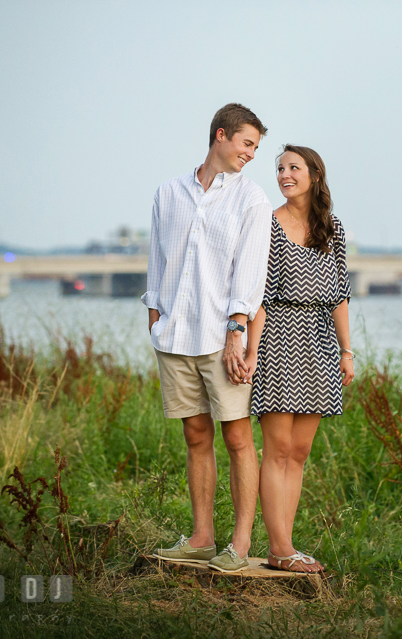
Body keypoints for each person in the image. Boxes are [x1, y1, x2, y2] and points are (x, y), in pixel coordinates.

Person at [144, 103, 272, 573]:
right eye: (247, 144)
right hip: (174, 334)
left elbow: (250, 274)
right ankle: (201, 538)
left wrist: (237, 331)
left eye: (256, 148)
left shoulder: (251, 200)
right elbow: (158, 261)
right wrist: (155, 317)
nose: (251, 155)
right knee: (195, 435)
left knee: (238, 438)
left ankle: (238, 545)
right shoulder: (167, 193)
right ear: (221, 135)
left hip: (222, 338)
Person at [246, 145, 354, 573]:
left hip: (321, 343)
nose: (285, 174)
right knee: (277, 449)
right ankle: (282, 549)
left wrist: (347, 351)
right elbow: (258, 296)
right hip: (278, 338)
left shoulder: (333, 228)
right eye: (280, 168)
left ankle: (284, 547)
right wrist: (251, 351)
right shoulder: (267, 224)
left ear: (314, 174)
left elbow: (341, 295)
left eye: (294, 168)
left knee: (300, 451)